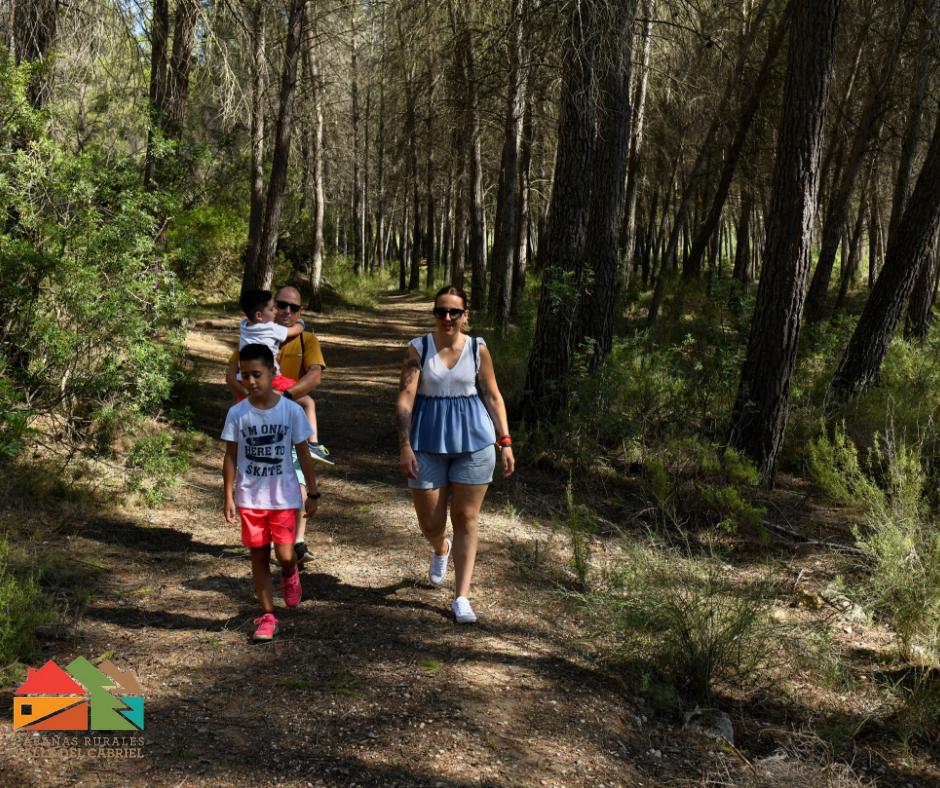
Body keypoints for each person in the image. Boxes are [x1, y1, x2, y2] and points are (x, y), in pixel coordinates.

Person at [396, 285, 515, 624]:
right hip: (426, 439)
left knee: (466, 518)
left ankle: (461, 597)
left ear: (465, 315)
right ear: (434, 313)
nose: (447, 318)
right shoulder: (419, 348)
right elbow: (405, 397)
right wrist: (404, 444)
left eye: (454, 312)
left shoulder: (478, 348)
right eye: (441, 311)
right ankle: (440, 548)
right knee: (430, 523)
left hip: (475, 440)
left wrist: (505, 441)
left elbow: (492, 395)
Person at [222, 343, 321, 642]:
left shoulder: (291, 411)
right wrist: (228, 495)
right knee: (259, 555)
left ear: (272, 372)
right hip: (250, 498)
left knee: (285, 554)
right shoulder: (237, 413)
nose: (251, 381)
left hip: (284, 498)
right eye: (245, 375)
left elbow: (303, 454)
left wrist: (313, 492)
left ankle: (290, 572)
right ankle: (267, 616)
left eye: (257, 374)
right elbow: (230, 456)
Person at [227, 286, 331, 565]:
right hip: (259, 421)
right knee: (263, 476)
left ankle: (297, 542)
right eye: (280, 305)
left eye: (292, 308)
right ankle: (272, 541)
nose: (285, 311)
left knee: (296, 476)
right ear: (267, 312)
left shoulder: (306, 340)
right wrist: (252, 398)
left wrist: (285, 398)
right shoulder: (258, 337)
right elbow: (232, 374)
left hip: (288, 416)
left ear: (300, 311)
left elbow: (315, 375)